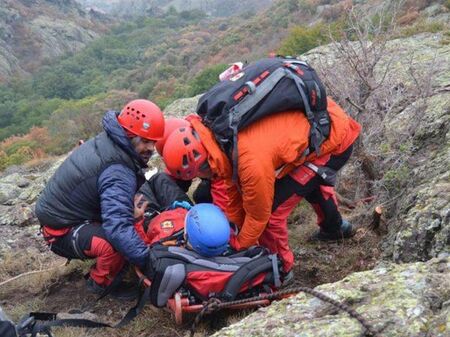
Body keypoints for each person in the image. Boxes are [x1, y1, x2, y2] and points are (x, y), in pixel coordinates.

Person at [162, 97, 361, 276]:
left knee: (273, 211)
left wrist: (239, 245)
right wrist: (233, 229)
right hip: (318, 125)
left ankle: (281, 268)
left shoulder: (249, 161)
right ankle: (334, 227)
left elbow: (260, 216)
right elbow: (231, 186)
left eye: (198, 175)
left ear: (202, 164)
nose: (202, 180)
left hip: (334, 141)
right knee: (302, 185)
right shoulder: (216, 135)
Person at [35, 99, 165, 300]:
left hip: (68, 214)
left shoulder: (111, 141)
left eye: (153, 142)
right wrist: (151, 264)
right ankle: (99, 283)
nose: (151, 148)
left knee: (130, 224)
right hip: (60, 231)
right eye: (145, 141)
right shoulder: (117, 169)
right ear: (129, 135)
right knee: (115, 243)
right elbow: (118, 230)